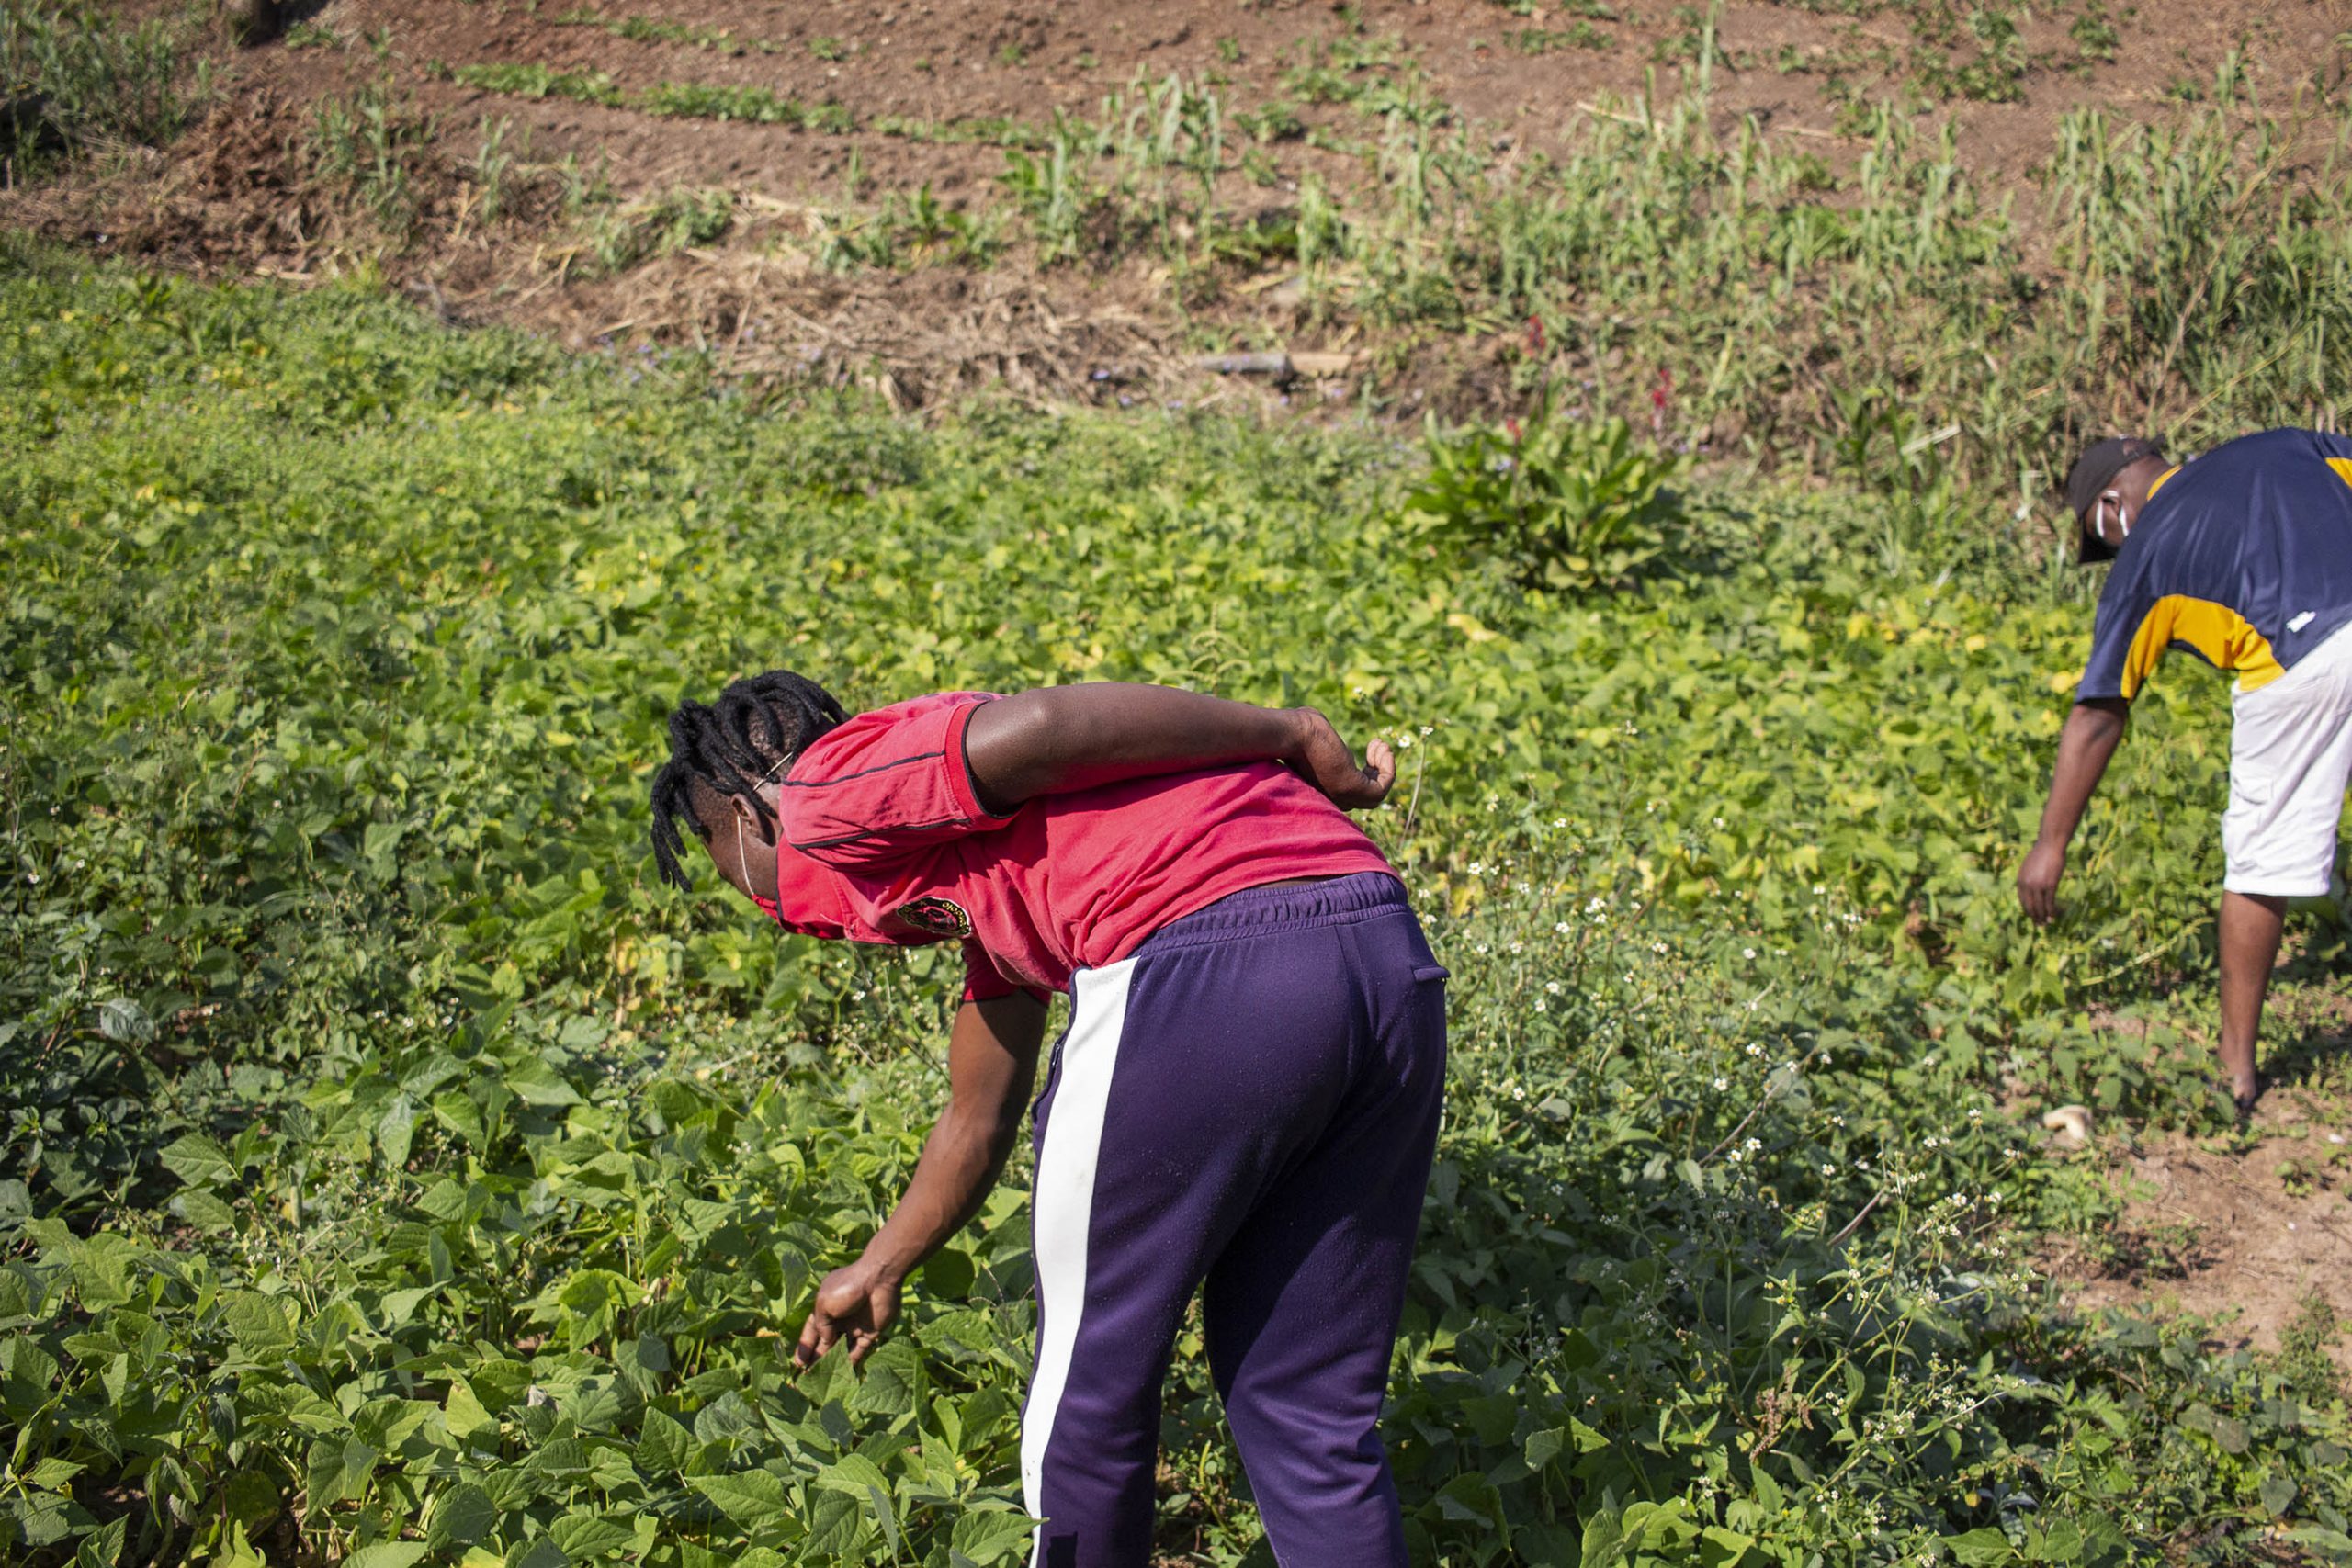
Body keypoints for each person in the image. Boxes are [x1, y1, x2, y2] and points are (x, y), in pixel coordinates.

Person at [647, 674, 1449, 1567]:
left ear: (751, 821)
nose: (760, 904)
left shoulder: (826, 791)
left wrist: (1292, 730)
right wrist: (881, 1264)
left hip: (1199, 958)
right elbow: (976, 1113)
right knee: (1303, 1401)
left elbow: (1047, 724)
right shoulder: (1006, 867)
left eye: (726, 865)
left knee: (1088, 1393)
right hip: (1382, 956)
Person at [2019, 430, 2352, 1112]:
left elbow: (2100, 712)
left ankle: (2233, 1071)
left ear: (2115, 504)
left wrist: (2051, 845)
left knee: (2261, 855)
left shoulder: (2147, 552)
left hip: (2301, 657)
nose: (2111, 549)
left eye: (2101, 535)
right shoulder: (2287, 445)